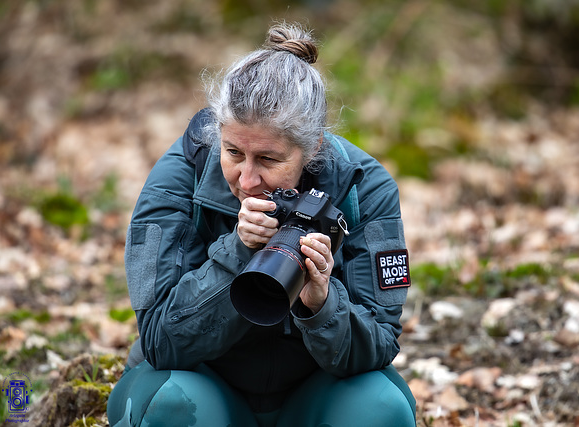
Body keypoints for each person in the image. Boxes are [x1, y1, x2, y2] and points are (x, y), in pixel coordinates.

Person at [106, 22, 416, 427]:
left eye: (268, 160)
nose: (248, 180)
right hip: (204, 388)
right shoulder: (178, 176)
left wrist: (322, 305)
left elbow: (378, 345)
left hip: (313, 397)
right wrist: (238, 252)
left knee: (381, 408)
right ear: (218, 132)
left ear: (314, 146)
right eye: (233, 152)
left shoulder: (362, 186)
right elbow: (161, 342)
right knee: (171, 407)